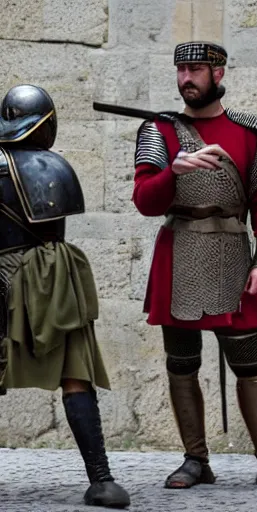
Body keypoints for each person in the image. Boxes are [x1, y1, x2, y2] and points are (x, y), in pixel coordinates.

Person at [132, 41, 257, 491]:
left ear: (218, 73)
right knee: (181, 364)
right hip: (180, 255)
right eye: (180, 70)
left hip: (232, 254)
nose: (186, 78)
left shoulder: (249, 133)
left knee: (251, 364)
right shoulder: (158, 131)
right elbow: (145, 202)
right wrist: (176, 171)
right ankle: (195, 459)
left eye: (195, 69)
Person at [0, 84, 130, 509]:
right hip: (43, 277)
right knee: (75, 371)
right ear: (44, 123)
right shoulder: (50, 166)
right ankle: (101, 480)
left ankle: (102, 479)